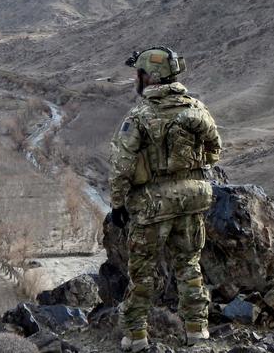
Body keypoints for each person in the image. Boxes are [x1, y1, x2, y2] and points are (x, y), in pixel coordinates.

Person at [109, 47, 222, 351]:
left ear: (149, 76)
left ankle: (136, 336)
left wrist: (117, 205)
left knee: (142, 272)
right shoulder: (196, 108)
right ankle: (198, 332)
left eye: (139, 73)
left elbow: (122, 166)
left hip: (152, 206)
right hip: (193, 199)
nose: (137, 78)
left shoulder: (140, 115)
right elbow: (215, 149)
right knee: (189, 265)